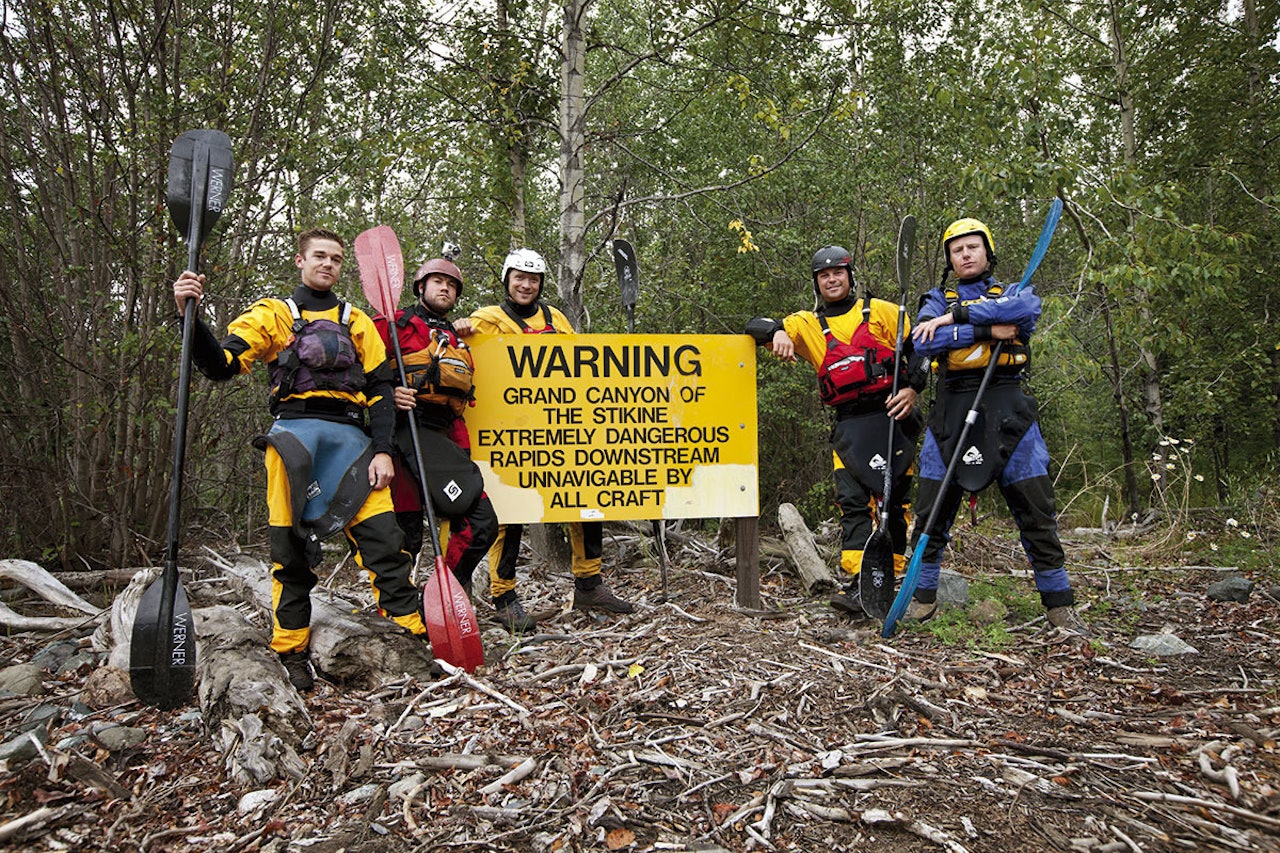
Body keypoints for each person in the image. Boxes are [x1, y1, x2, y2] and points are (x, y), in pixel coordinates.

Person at [172, 228, 427, 691]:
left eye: (335, 258)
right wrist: (189, 315)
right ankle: (290, 648)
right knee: (290, 552)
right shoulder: (273, 314)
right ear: (300, 260)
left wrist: (384, 451)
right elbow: (221, 365)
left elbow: (381, 392)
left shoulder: (356, 322)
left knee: (386, 543)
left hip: (353, 442)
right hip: (293, 440)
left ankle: (410, 636)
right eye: (319, 256)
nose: (327, 264)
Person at [907, 217, 1087, 634]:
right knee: (930, 512)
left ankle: (1059, 605)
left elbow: (1024, 312)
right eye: (957, 250)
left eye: (973, 247)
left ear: (987, 253)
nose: (965, 254)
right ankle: (922, 598)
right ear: (950, 260)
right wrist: (988, 329)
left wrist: (956, 318)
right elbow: (922, 340)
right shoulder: (935, 299)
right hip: (951, 409)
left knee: (1036, 511)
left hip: (1009, 408)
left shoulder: (1013, 292)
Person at [453, 248, 635, 624]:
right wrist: (458, 332)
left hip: (558, 429)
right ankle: (504, 597)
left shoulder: (557, 320)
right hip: (508, 433)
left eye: (533, 279)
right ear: (507, 280)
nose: (526, 285)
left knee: (585, 497)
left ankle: (589, 584)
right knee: (508, 512)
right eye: (519, 278)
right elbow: (460, 356)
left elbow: (579, 365)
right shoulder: (486, 320)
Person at [747, 245, 926, 616]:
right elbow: (755, 326)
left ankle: (889, 579)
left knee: (894, 503)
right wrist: (778, 332)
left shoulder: (883, 312)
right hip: (849, 427)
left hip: (892, 418)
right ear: (816, 283)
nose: (831, 280)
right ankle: (859, 580)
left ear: (850, 276)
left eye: (838, 273)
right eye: (824, 275)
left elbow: (921, 348)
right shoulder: (807, 324)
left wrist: (913, 388)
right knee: (853, 503)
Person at [373, 255, 504, 626]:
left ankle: (443, 595)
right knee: (406, 534)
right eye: (437, 282)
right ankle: (400, 614)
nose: (445, 288)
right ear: (421, 287)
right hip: (402, 435)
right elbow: (359, 371)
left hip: (443, 440)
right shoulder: (393, 325)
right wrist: (388, 393)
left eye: (451, 285)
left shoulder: (458, 338)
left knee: (481, 522)